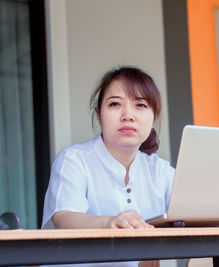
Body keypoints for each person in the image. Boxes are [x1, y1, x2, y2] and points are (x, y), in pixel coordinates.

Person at [41, 66, 175, 266]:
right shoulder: (74, 160)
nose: (128, 115)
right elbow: (64, 218)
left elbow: (197, 215)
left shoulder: (161, 171)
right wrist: (108, 223)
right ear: (98, 115)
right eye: (115, 104)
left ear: (153, 116)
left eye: (140, 105)